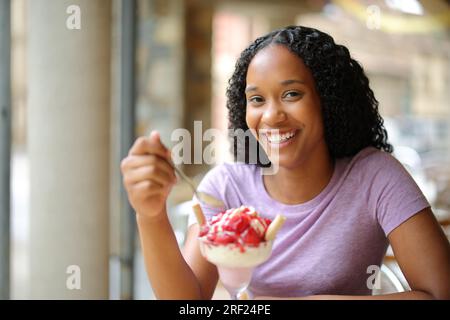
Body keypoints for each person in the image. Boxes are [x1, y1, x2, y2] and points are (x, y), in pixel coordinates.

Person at [120, 26, 450, 299]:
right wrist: (150, 215)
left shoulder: (375, 176)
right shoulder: (226, 187)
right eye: (257, 100)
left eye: (291, 94)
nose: (272, 116)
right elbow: (189, 305)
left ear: (327, 99)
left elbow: (439, 292)